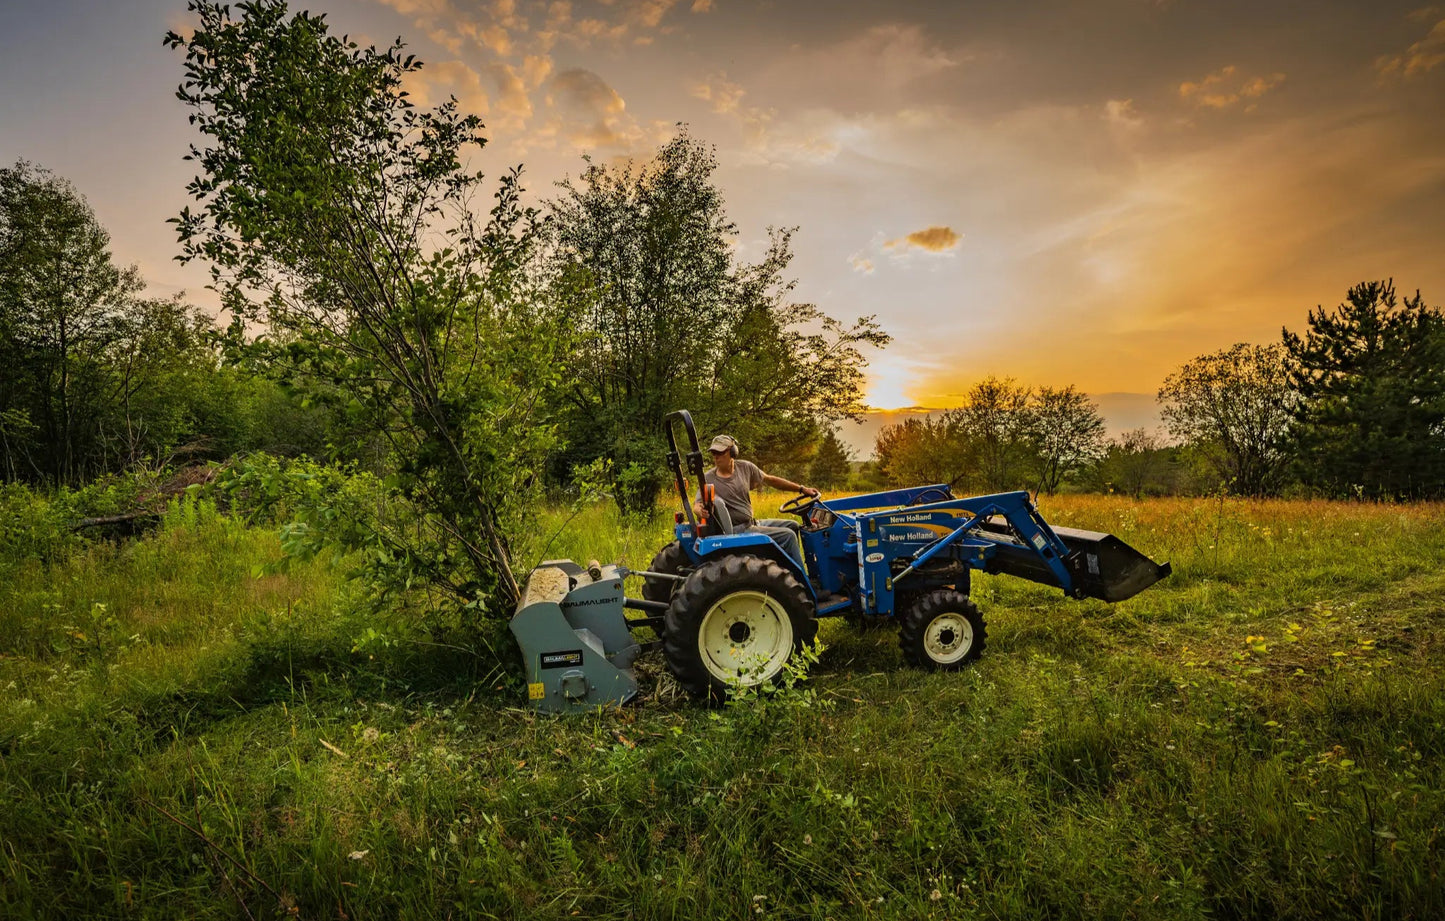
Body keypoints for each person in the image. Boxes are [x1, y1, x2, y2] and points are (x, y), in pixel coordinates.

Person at [693, 433, 819, 564]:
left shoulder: (745, 468)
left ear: (732, 452)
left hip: (752, 523)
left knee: (793, 526)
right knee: (788, 536)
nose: (716, 456)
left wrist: (802, 489)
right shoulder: (708, 478)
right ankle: (799, 576)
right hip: (738, 530)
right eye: (713, 453)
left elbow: (771, 480)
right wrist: (699, 511)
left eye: (720, 452)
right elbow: (697, 504)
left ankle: (784, 566)